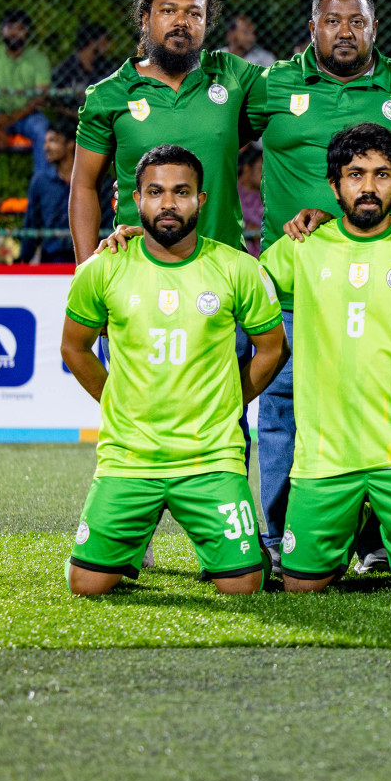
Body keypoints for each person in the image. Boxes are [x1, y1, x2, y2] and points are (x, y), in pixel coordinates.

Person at [246, 0, 391, 574]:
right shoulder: (273, 86)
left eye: (357, 21)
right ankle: (284, 539)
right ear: (313, 28)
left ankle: (380, 544)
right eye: (332, 22)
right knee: (281, 411)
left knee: (386, 407)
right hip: (295, 284)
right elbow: (207, 140)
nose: (345, 32)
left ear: (374, 28)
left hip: (389, 289)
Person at [58, 144, 288, 596]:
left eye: (181, 192)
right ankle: (124, 547)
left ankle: (241, 553)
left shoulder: (237, 268)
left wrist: (231, 399)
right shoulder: (102, 268)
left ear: (201, 200)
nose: (168, 203)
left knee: (243, 586)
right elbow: (74, 348)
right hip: (129, 457)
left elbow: (271, 348)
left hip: (211, 456)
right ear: (136, 200)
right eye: (155, 192)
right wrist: (116, 400)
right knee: (85, 585)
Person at [261, 124, 391, 595]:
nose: (369, 187)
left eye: (382, 175)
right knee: (301, 587)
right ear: (334, 184)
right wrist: (141, 244)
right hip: (324, 456)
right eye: (355, 174)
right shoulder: (302, 247)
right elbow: (227, 284)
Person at [71, 0, 265, 264]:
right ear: (145, 19)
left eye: (194, 14)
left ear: (206, 24)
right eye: (168, 10)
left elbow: (295, 92)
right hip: (137, 269)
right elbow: (84, 186)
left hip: (222, 269)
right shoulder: (108, 95)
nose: (181, 22)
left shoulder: (233, 77)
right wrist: (87, 274)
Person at [19, 119, 111, 264]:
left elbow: (108, 221)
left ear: (70, 145)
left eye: (53, 141)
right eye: (45, 142)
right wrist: (24, 258)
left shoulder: (98, 180)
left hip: (92, 256)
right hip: (51, 258)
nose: (46, 147)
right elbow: (32, 222)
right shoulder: (40, 182)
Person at [0, 9, 51, 174]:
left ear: (28, 33)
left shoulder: (39, 60)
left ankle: (44, 187)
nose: (15, 33)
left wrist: (10, 119)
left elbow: (40, 99)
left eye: (21, 28)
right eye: (10, 27)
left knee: (43, 130)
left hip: (25, 116)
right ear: (1, 31)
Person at [50, 22, 116, 119]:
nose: (107, 47)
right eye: (104, 42)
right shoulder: (65, 69)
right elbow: (54, 103)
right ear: (92, 43)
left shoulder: (107, 68)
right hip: (71, 122)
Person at [237, 145, 262, 256]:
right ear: (247, 170)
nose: (265, 174)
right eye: (260, 169)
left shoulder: (264, 196)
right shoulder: (233, 194)